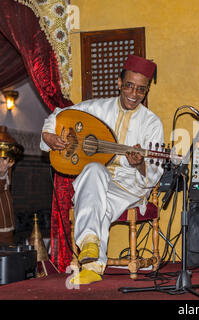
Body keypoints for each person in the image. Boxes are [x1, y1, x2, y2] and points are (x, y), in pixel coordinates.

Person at [40, 55, 164, 284]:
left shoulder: (152, 123)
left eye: (141, 90)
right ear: (119, 83)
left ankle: (92, 262)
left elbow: (155, 171)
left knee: (98, 205)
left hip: (128, 187)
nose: (134, 94)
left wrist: (140, 164)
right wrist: (49, 135)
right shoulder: (96, 108)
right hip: (96, 180)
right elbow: (58, 114)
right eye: (129, 86)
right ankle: (91, 252)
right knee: (95, 170)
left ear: (146, 91)